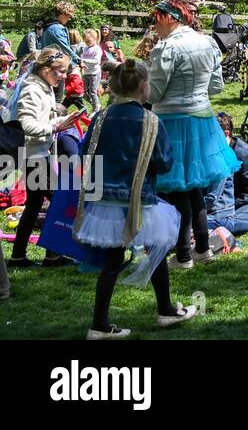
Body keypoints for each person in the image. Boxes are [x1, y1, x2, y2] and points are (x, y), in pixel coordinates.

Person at [74, 58, 198, 340]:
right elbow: (164, 163)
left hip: (105, 199)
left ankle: (99, 323)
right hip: (138, 198)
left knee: (112, 262)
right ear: (144, 87)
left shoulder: (100, 118)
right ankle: (165, 309)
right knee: (156, 249)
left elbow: (86, 156)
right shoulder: (150, 121)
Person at [146, 0, 238, 271]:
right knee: (193, 187)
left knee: (178, 189)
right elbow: (217, 86)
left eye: (157, 19)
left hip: (173, 122)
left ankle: (184, 255)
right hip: (202, 120)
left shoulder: (167, 48)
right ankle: (202, 249)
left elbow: (154, 93)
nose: (155, 25)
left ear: (170, 18)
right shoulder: (208, 43)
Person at [8, 48, 81, 268]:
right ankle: (52, 257)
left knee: (34, 205)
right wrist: (56, 125)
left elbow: (42, 117)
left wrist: (63, 118)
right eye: (60, 71)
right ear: (46, 69)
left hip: (36, 154)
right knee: (59, 201)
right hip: (33, 156)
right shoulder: (32, 89)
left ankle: (18, 256)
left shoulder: (44, 85)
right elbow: (24, 125)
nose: (63, 76)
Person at [80, 26, 104, 115]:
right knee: (84, 93)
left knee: (93, 92)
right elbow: (82, 57)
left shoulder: (97, 49)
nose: (87, 43)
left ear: (95, 38)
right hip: (86, 73)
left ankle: (96, 109)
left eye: (89, 41)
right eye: (85, 41)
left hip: (94, 73)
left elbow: (96, 61)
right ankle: (96, 105)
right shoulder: (85, 48)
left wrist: (84, 60)